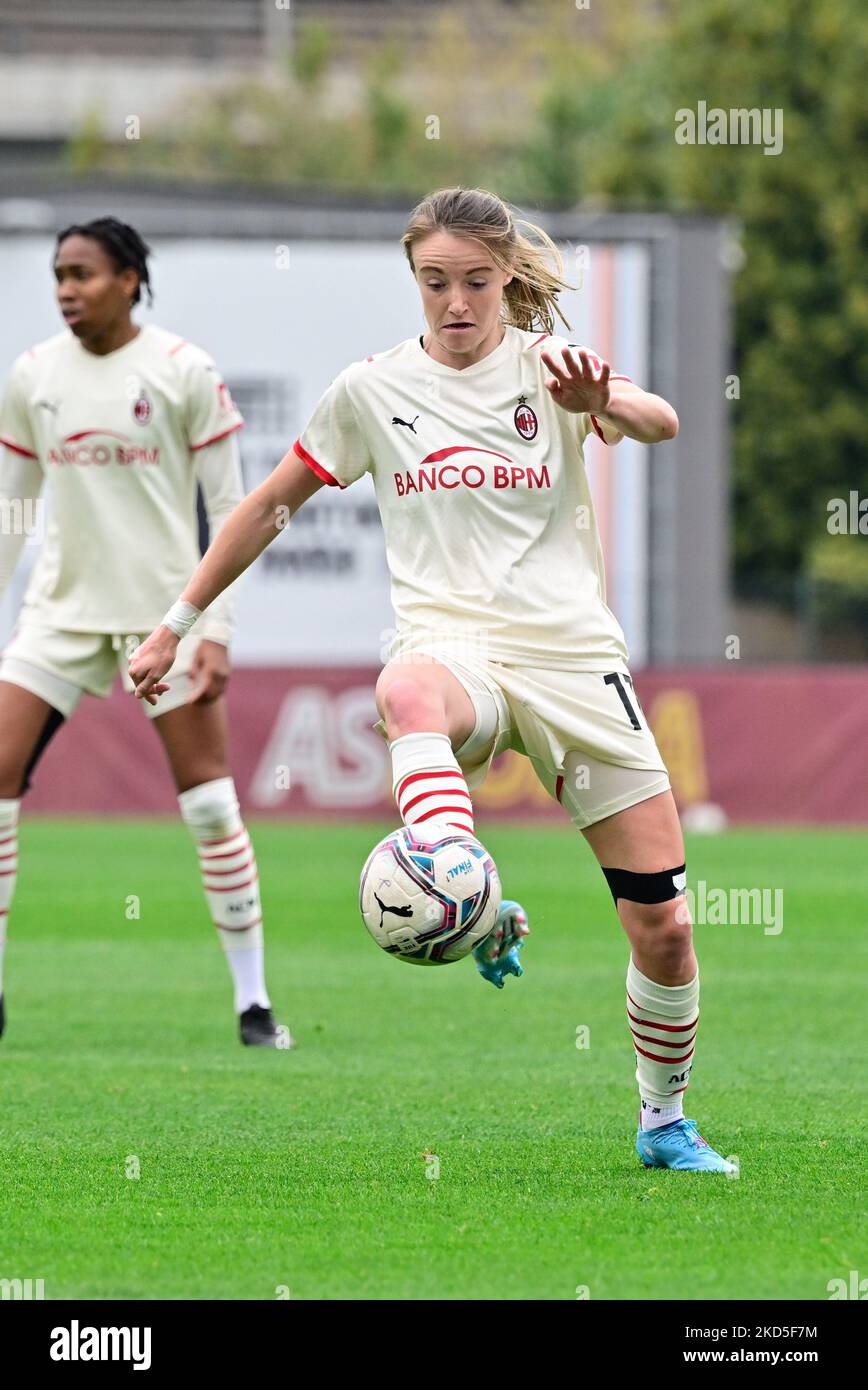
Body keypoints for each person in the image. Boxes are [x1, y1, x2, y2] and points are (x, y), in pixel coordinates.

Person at [129, 186, 732, 1170]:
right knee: (406, 689)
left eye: (475, 282)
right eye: (433, 282)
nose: (455, 301)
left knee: (663, 925)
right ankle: (467, 887)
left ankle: (662, 1118)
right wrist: (176, 621)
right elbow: (266, 508)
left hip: (575, 660)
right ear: (414, 279)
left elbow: (658, 420)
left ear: (505, 280)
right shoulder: (371, 390)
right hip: (453, 648)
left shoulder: (548, 368)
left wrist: (601, 402)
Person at [0, 216, 289, 1048]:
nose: (66, 288)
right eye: (58, 273)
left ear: (130, 279)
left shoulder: (181, 370)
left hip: (165, 620)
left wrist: (214, 628)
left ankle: (253, 1005)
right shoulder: (34, 376)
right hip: (57, 615)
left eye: (83, 273)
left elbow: (235, 508)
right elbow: (15, 508)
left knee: (206, 804)